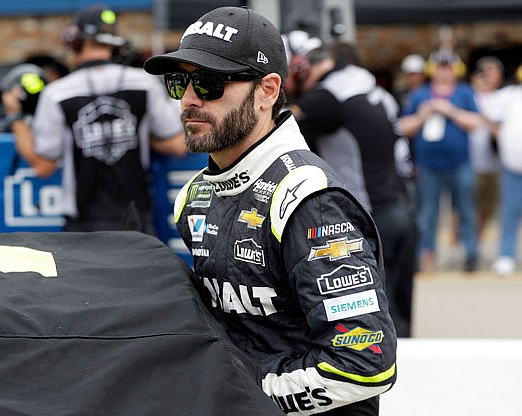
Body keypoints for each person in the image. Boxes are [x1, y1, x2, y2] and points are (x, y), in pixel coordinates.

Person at [144, 6, 397, 415]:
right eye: (179, 83)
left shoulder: (308, 199)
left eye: (209, 83)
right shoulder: (194, 197)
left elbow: (364, 365)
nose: (189, 100)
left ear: (267, 90)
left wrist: (238, 397)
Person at [2, 4, 186, 233]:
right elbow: (178, 145)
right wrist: (138, 132)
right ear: (112, 42)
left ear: (77, 41)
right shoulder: (145, 83)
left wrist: (15, 116)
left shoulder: (57, 92)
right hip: (136, 221)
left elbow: (43, 166)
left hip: (84, 226)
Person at [288, 41, 416, 337]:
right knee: (400, 313)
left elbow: (272, 125)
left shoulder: (328, 95)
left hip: (366, 216)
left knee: (371, 317)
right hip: (399, 203)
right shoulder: (371, 85)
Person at [399, 50, 484, 272]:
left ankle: (470, 253)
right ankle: (425, 254)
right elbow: (403, 126)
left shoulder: (464, 93)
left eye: (447, 67)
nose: (443, 72)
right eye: (439, 67)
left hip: (460, 163)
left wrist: (450, 111)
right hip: (428, 165)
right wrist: (422, 115)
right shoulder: (420, 94)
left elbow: (476, 122)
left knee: (465, 210)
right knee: (427, 213)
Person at [490, 64, 522, 276]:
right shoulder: (509, 95)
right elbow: (492, 120)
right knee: (509, 212)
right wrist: (502, 141)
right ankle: (506, 255)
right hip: (512, 165)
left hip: (511, 163)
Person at [468, 57, 504, 243]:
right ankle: (463, 245)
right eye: (484, 71)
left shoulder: (504, 97)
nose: (487, 75)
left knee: (487, 208)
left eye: (491, 70)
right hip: (469, 162)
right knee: (466, 207)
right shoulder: (468, 96)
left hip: (495, 164)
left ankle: (475, 242)